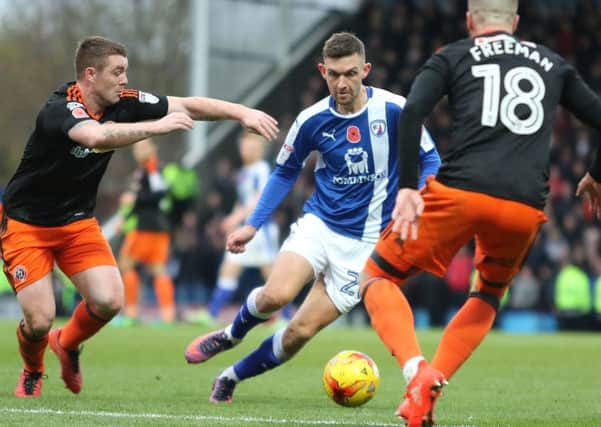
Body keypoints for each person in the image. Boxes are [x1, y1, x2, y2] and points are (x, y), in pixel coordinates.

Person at [359, 1, 601, 426]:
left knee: (376, 277)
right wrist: (597, 174)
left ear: (470, 21)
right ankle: (429, 392)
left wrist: (408, 189)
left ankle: (418, 373)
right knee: (487, 296)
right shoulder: (553, 63)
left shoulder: (453, 55)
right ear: (517, 24)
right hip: (525, 207)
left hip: (461, 193)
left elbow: (413, 112)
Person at [0, 35, 279, 398]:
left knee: (110, 301)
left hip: (75, 222)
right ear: (90, 74)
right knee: (38, 319)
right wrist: (155, 128)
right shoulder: (60, 109)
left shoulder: (125, 102)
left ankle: (66, 344)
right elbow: (96, 138)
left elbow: (188, 105)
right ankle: (33, 369)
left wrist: (241, 112)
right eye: (117, 72)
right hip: (25, 225)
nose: (124, 80)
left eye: (125, 71)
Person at [184, 32, 441, 404]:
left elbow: (430, 159)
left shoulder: (395, 109)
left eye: (350, 73)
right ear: (322, 71)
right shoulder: (311, 120)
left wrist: (416, 194)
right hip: (320, 226)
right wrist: (253, 223)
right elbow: (285, 171)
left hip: (368, 248)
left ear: (365, 70)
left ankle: (230, 376)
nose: (342, 83)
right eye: (334, 74)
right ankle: (231, 334)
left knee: (298, 333)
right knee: (276, 294)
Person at [190, 130, 281, 327]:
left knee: (273, 275)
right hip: (246, 228)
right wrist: (231, 218)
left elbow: (260, 198)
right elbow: (243, 201)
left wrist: (236, 217)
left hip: (261, 230)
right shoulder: (244, 172)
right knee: (229, 269)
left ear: (261, 150)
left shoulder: (262, 169)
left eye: (252, 147)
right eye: (244, 146)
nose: (246, 150)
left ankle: (286, 317)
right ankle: (212, 313)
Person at [118, 138, 176, 325]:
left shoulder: (152, 168)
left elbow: (160, 194)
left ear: (153, 148)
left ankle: (131, 312)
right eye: (136, 148)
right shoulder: (146, 169)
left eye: (143, 147)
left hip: (147, 228)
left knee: (126, 264)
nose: (139, 151)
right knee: (157, 269)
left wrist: (135, 199)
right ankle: (168, 314)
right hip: (155, 226)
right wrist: (126, 218)